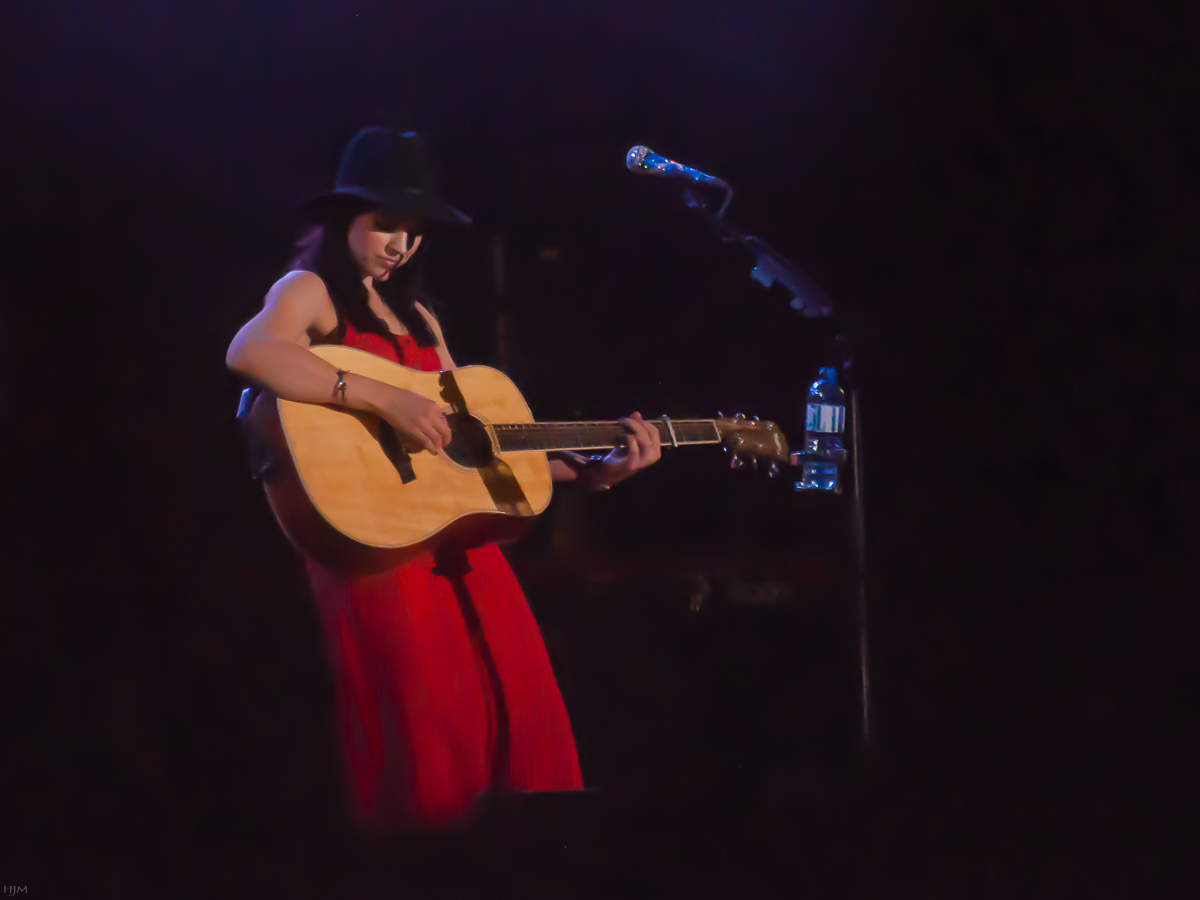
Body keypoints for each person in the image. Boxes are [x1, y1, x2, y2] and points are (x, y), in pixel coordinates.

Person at [226, 127, 661, 831]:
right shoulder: (308, 290)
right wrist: (379, 395)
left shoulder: (420, 318)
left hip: (462, 551)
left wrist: (592, 475)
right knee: (429, 751)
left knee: (518, 723)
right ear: (346, 221)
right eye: (385, 226)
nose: (401, 246)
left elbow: (477, 443)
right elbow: (249, 352)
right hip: (374, 550)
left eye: (415, 233)